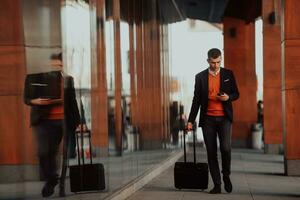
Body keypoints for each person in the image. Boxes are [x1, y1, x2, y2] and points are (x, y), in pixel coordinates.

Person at [23, 52, 84, 197]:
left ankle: (57, 183)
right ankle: (52, 179)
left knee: (54, 152)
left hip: (61, 121)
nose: (57, 66)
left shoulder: (68, 79)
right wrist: (35, 101)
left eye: (60, 64)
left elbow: (72, 102)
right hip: (43, 120)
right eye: (55, 63)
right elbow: (27, 98)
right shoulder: (40, 77)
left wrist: (78, 123)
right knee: (43, 152)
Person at [186, 48, 239, 194]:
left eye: (218, 62)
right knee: (211, 152)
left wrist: (228, 97)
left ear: (221, 60)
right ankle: (217, 184)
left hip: (224, 118)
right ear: (208, 60)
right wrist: (191, 121)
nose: (216, 65)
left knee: (226, 148)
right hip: (207, 119)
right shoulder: (200, 77)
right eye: (213, 62)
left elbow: (236, 94)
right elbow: (196, 100)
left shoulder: (228, 74)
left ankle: (226, 175)